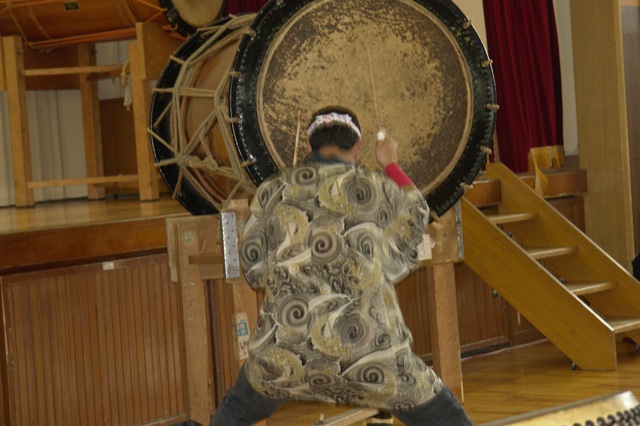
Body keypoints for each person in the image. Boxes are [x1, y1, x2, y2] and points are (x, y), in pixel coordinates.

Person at [209, 106, 473, 425]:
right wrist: (390, 163)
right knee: (448, 419)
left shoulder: (271, 191)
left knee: (237, 408)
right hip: (372, 357)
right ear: (357, 147)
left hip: (285, 355)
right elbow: (416, 211)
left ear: (309, 145)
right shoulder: (376, 188)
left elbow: (254, 272)